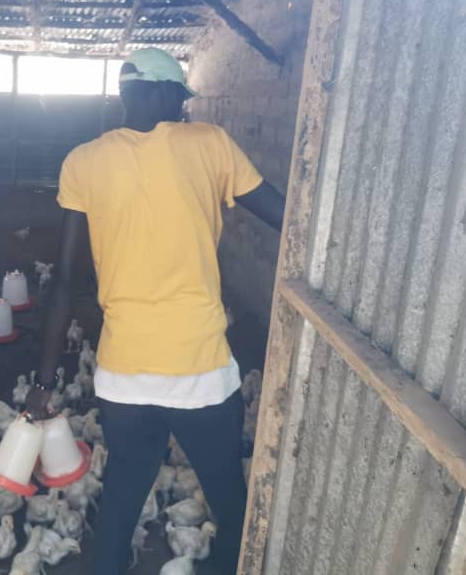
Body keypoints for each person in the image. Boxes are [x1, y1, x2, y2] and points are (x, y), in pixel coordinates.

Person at [25, 47, 285, 574]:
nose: (184, 108)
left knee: (123, 493)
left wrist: (45, 380)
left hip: (125, 374)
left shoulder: (83, 161)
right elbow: (286, 217)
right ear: (161, 92)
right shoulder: (211, 144)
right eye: (179, 97)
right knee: (230, 503)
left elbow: (66, 281)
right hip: (201, 369)